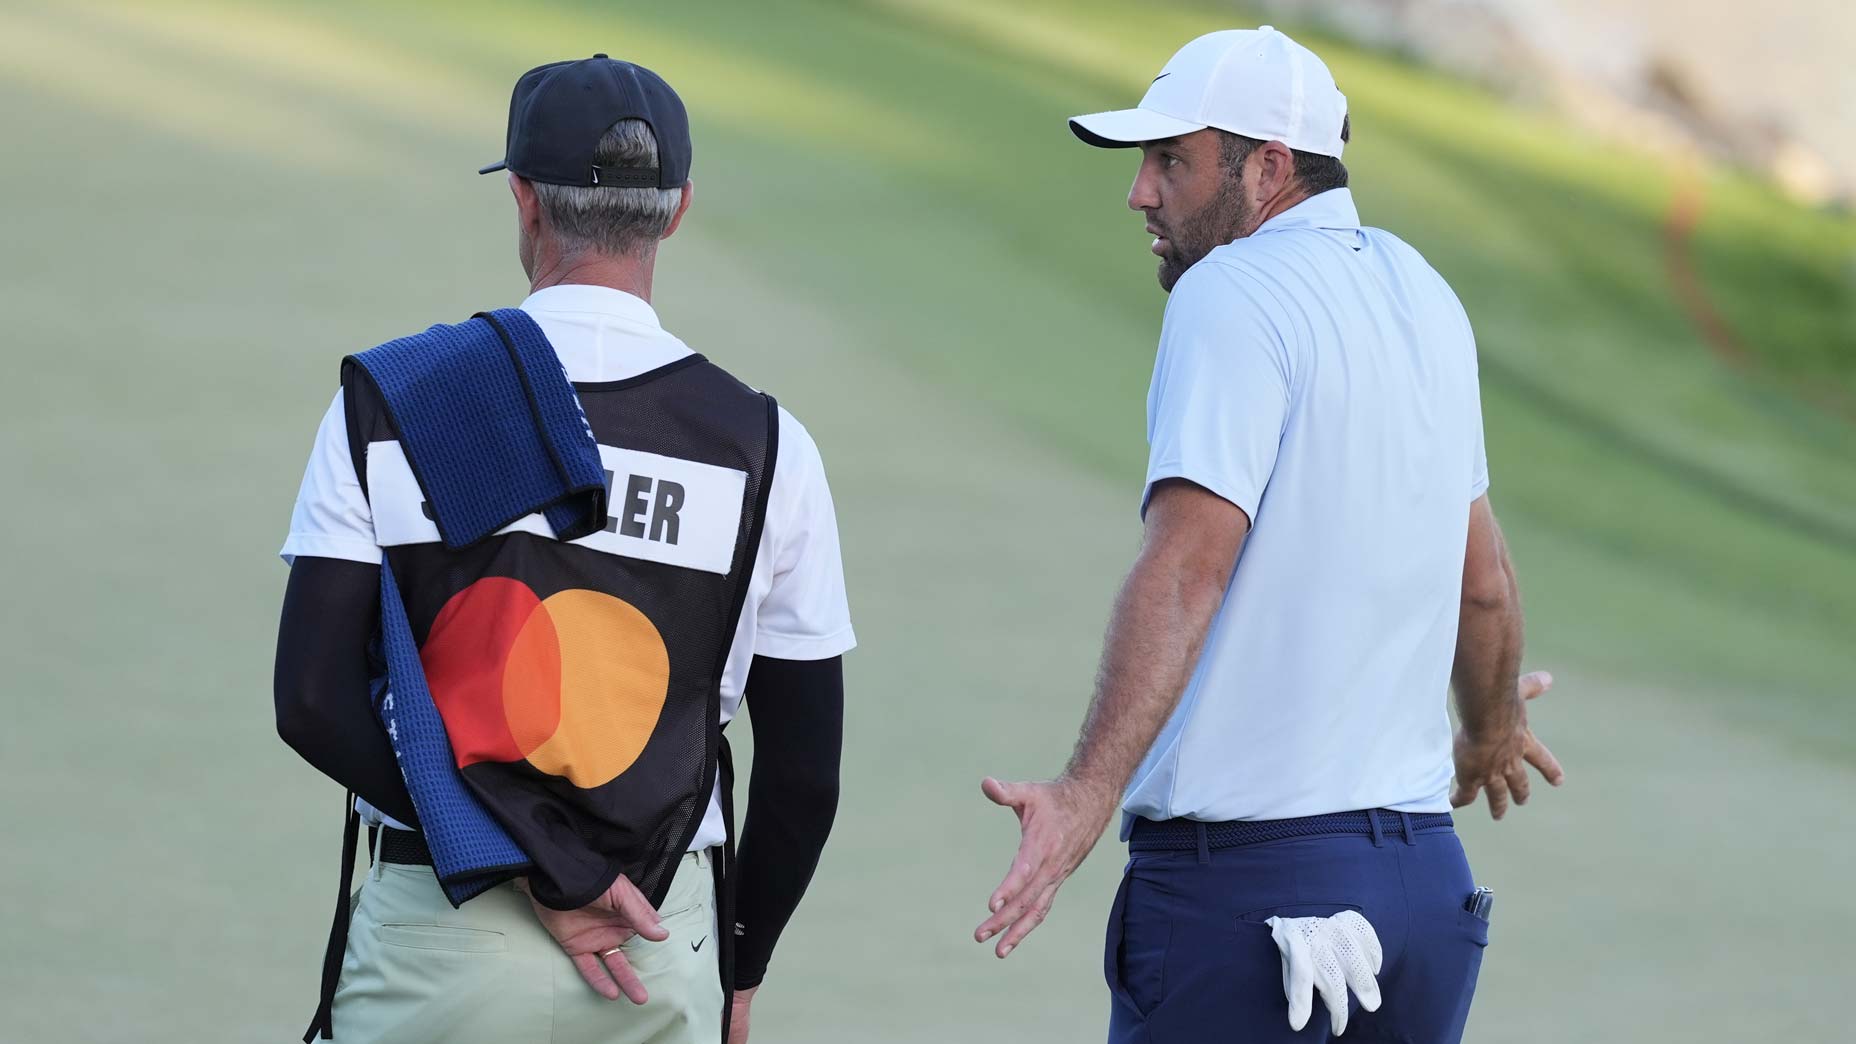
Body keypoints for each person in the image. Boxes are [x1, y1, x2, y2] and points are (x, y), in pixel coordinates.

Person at [974, 27, 1563, 1043]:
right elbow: (1483, 582)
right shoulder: (1421, 292)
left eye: (1170, 161)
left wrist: (1082, 795)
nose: (1139, 193)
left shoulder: (1226, 293)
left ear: (1268, 168)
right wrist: (1491, 726)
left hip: (1249, 906)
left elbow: (1185, 573)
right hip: (1421, 895)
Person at [273, 55, 853, 1044]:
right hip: (656, 942)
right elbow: (803, 772)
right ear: (675, 212)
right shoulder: (765, 446)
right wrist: (736, 971)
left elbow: (317, 702)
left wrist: (527, 869)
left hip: (439, 927)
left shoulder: (393, 401)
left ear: (527, 200)